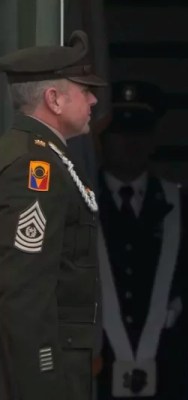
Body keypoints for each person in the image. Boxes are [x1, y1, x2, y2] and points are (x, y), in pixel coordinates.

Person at [0, 31, 105, 399]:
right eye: (85, 90)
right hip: (44, 371)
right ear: (54, 99)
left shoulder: (43, 156)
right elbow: (25, 292)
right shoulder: (35, 168)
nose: (94, 99)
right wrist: (40, 381)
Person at [95, 81, 188, 399]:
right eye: (120, 131)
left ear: (153, 138)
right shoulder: (79, 205)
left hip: (167, 370)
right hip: (95, 371)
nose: (130, 142)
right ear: (102, 139)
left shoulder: (184, 207)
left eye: (140, 131)